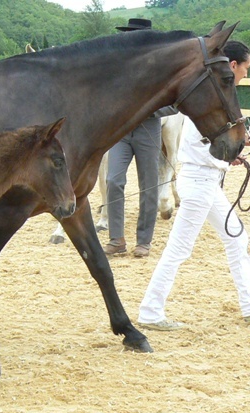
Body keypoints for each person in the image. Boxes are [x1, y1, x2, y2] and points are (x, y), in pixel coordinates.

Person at [138, 40, 250, 330]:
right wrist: (232, 154)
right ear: (233, 65)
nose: (244, 76)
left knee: (237, 238)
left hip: (206, 182)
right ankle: (150, 312)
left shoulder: (217, 99)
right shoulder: (212, 100)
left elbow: (210, 147)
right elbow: (203, 145)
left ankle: (249, 305)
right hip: (200, 182)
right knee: (178, 249)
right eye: (245, 70)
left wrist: (230, 158)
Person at [103, 18, 177, 258]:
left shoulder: (162, 68)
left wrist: (151, 110)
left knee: (149, 185)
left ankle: (143, 240)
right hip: (121, 131)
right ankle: (117, 239)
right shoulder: (117, 66)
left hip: (148, 129)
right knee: (113, 180)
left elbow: (175, 102)